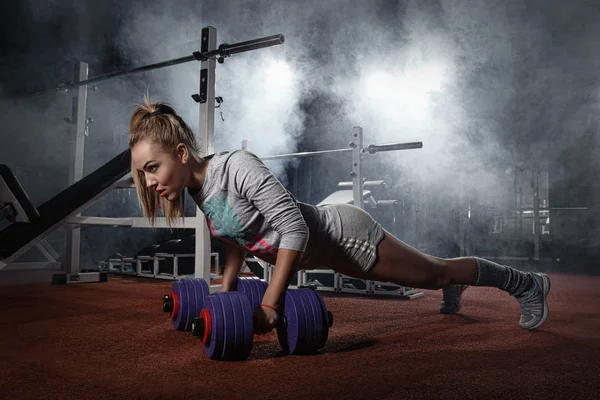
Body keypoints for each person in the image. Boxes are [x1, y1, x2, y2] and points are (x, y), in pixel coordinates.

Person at [128, 97, 551, 335]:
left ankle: (527, 284)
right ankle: (452, 285)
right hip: (327, 253)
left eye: (152, 168)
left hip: (346, 236)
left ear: (181, 154)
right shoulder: (199, 189)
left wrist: (270, 305)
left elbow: (293, 226)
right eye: (143, 174)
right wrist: (228, 292)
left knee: (437, 271)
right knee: (430, 271)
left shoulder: (235, 166)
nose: (149, 183)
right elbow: (233, 237)